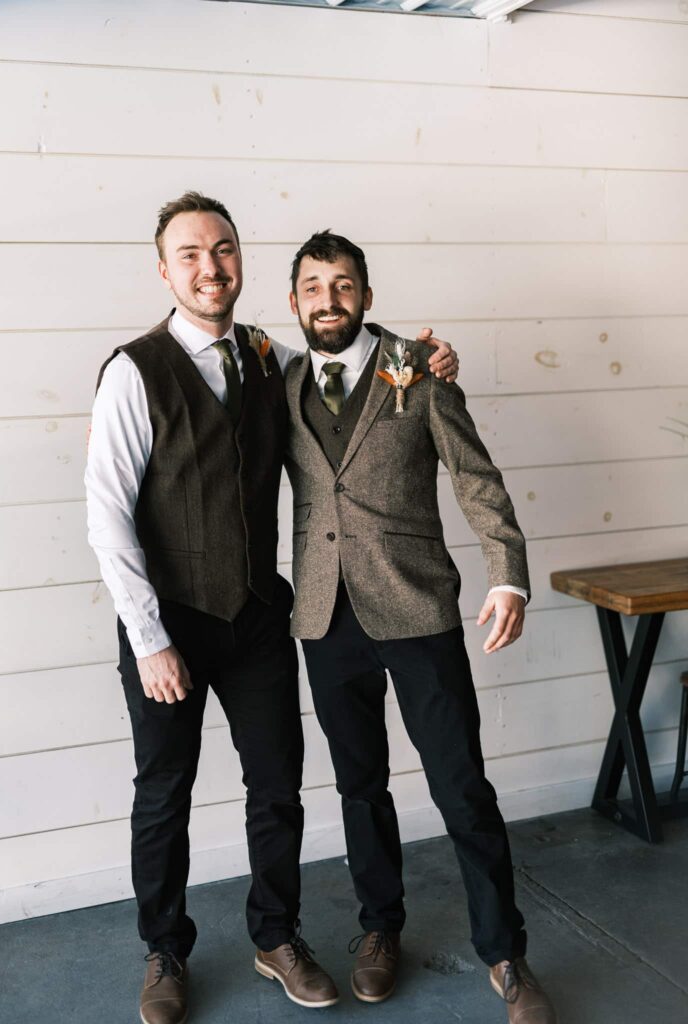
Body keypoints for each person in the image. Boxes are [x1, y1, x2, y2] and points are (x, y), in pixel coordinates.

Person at [84, 193, 459, 1024]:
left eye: (223, 249)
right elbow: (106, 514)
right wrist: (149, 639)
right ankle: (165, 950)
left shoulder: (267, 357)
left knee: (278, 788)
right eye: (190, 254)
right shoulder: (133, 371)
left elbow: (345, 363)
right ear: (163, 270)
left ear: (241, 261)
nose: (210, 267)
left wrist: (422, 357)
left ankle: (276, 936)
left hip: (258, 616)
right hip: (169, 621)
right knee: (164, 792)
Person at [283, 230, 556, 1024]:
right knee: (359, 787)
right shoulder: (280, 381)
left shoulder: (420, 369)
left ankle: (505, 955)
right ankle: (380, 929)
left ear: (366, 295)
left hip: (416, 607)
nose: (328, 299)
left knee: (460, 788)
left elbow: (477, 479)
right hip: (324, 615)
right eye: (312, 287)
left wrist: (508, 575)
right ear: (294, 301)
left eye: (342, 285)